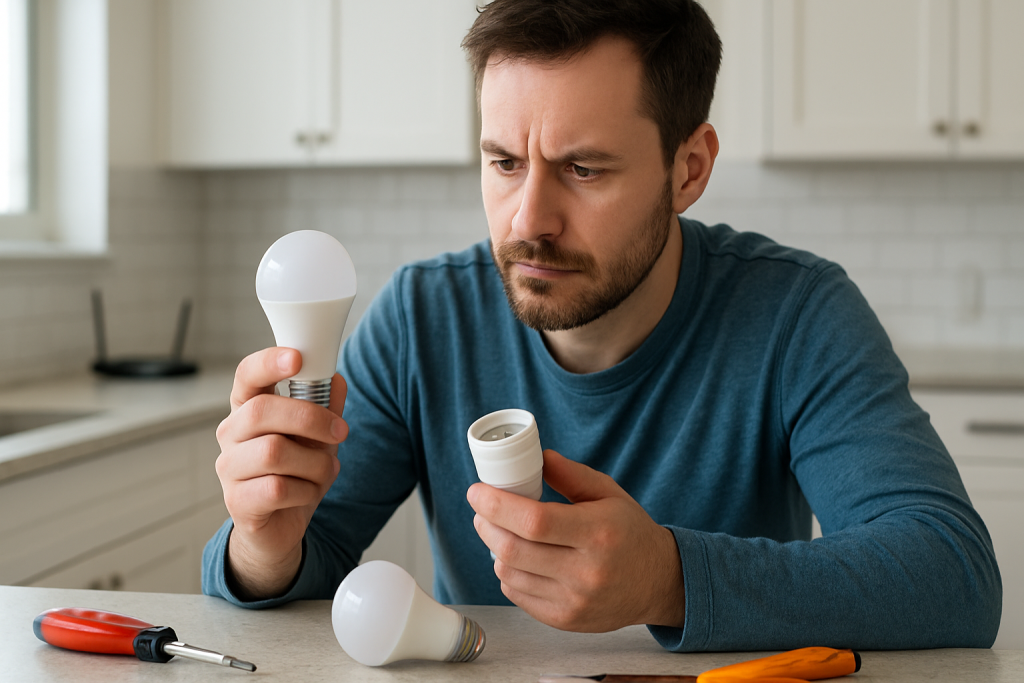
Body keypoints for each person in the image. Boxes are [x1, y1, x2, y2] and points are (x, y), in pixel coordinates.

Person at [204, 0, 1002, 651]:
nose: (530, 220)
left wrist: (670, 577)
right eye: (505, 162)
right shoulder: (421, 318)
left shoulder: (796, 313)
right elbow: (307, 560)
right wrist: (262, 547)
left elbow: (953, 574)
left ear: (688, 169)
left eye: (583, 169)